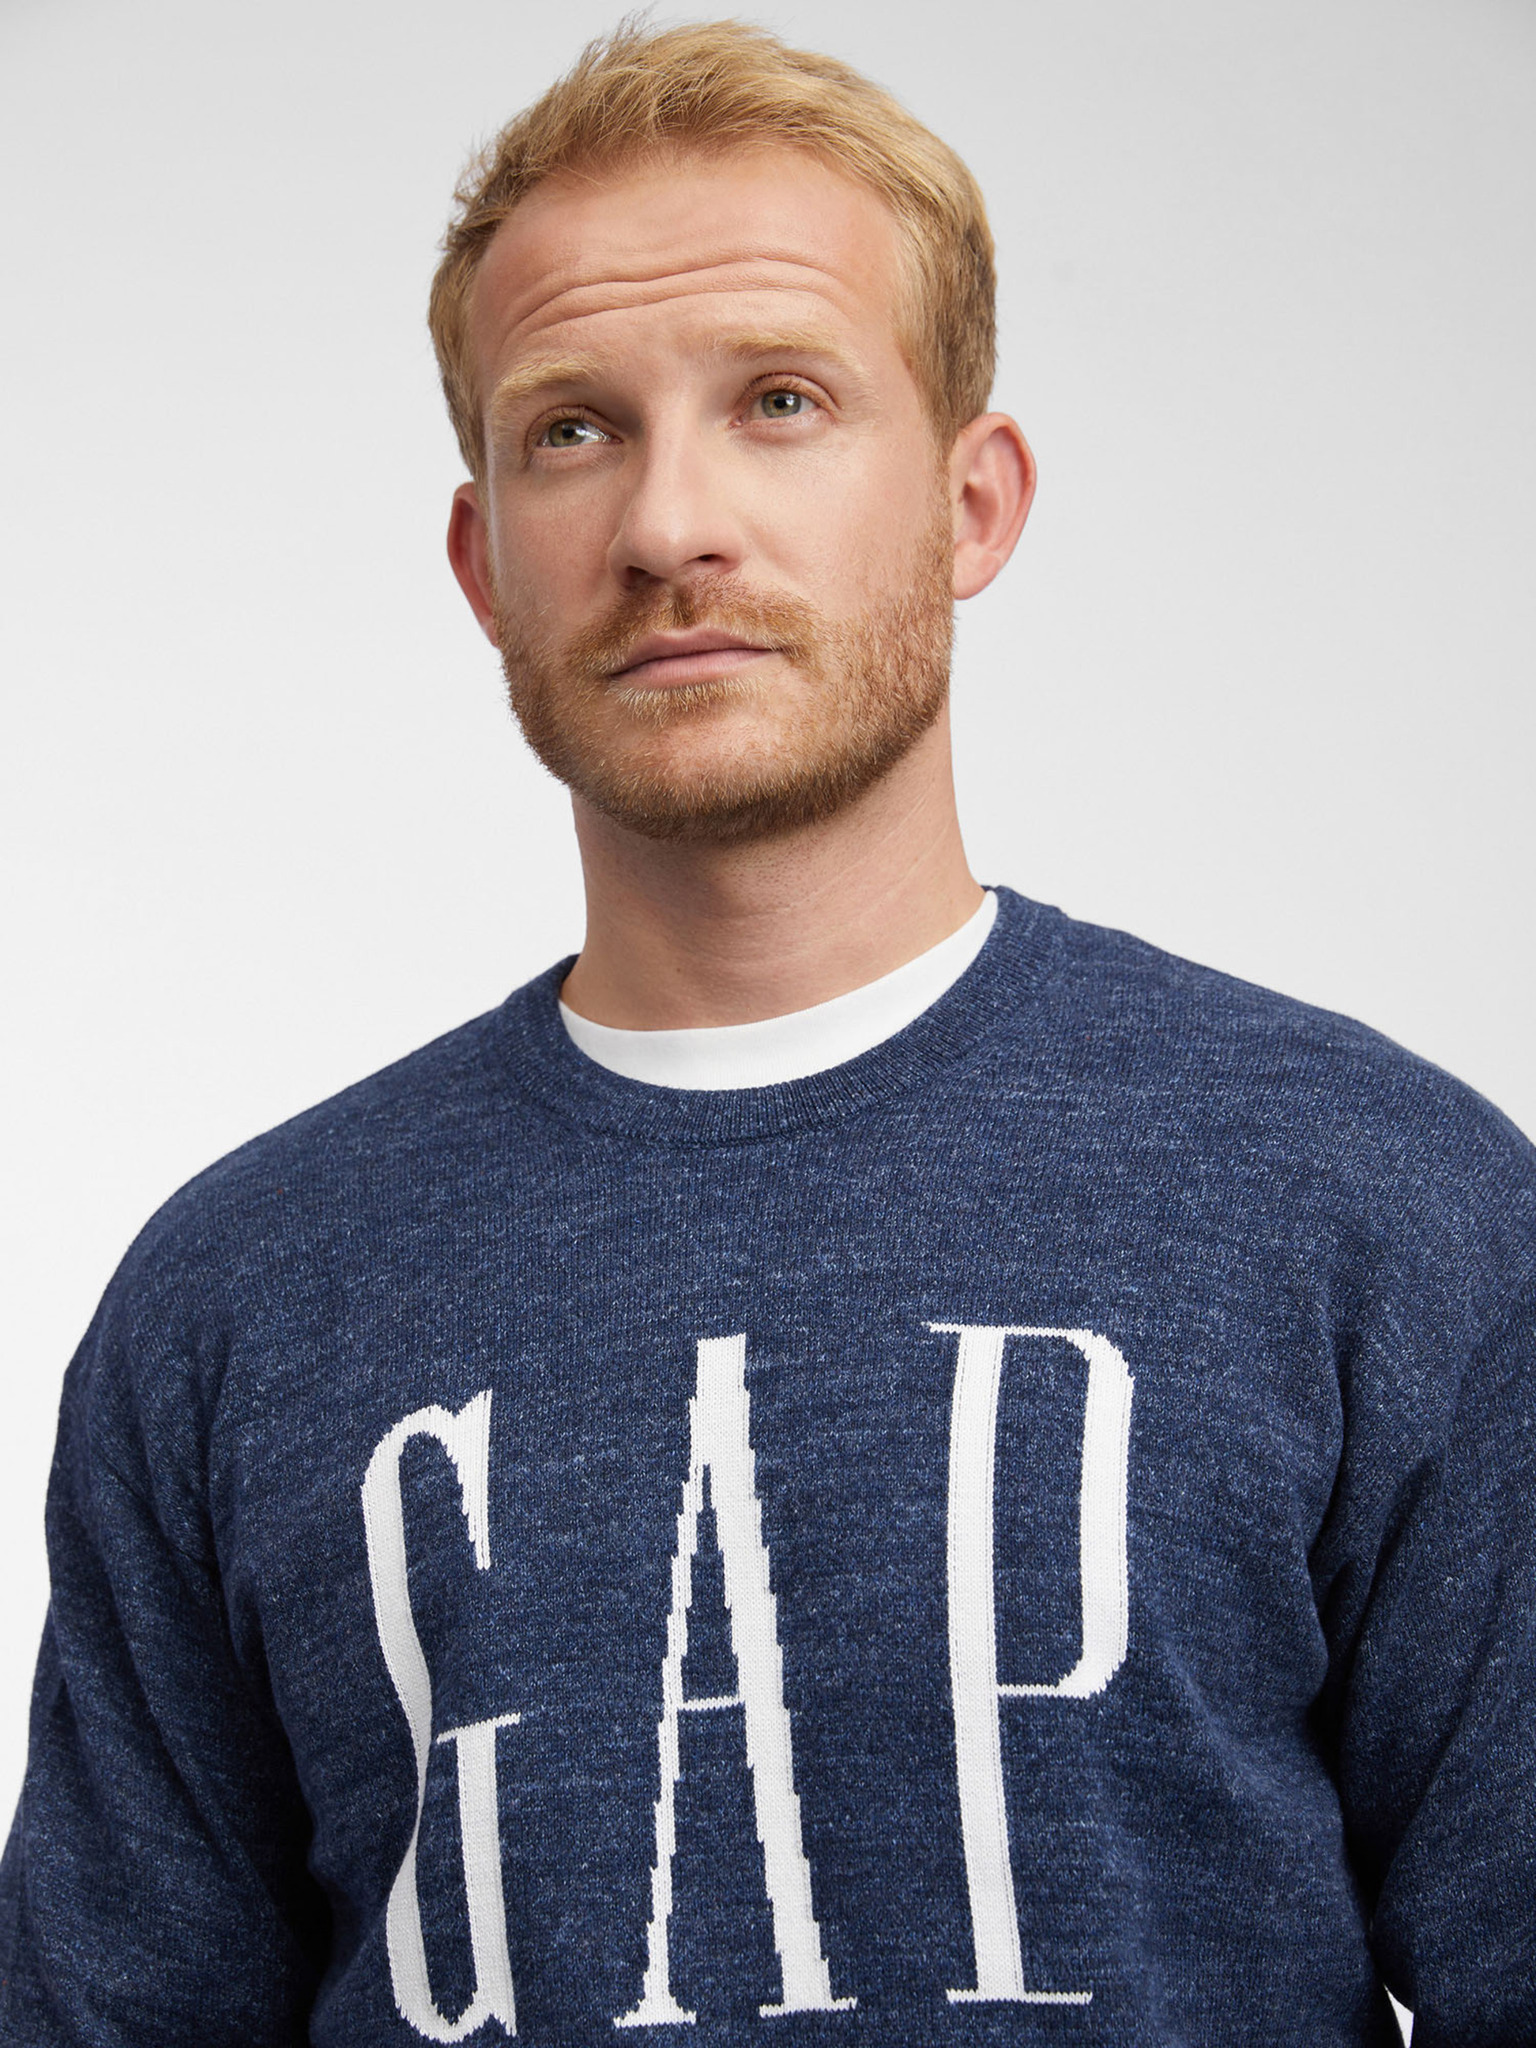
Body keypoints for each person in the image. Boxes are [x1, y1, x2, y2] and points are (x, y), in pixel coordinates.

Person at [1, 18, 1531, 2044]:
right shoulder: (234, 1305)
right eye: (572, 430)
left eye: (782, 401)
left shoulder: (1381, 1209)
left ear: (973, 504)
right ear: (482, 561)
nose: (669, 524)